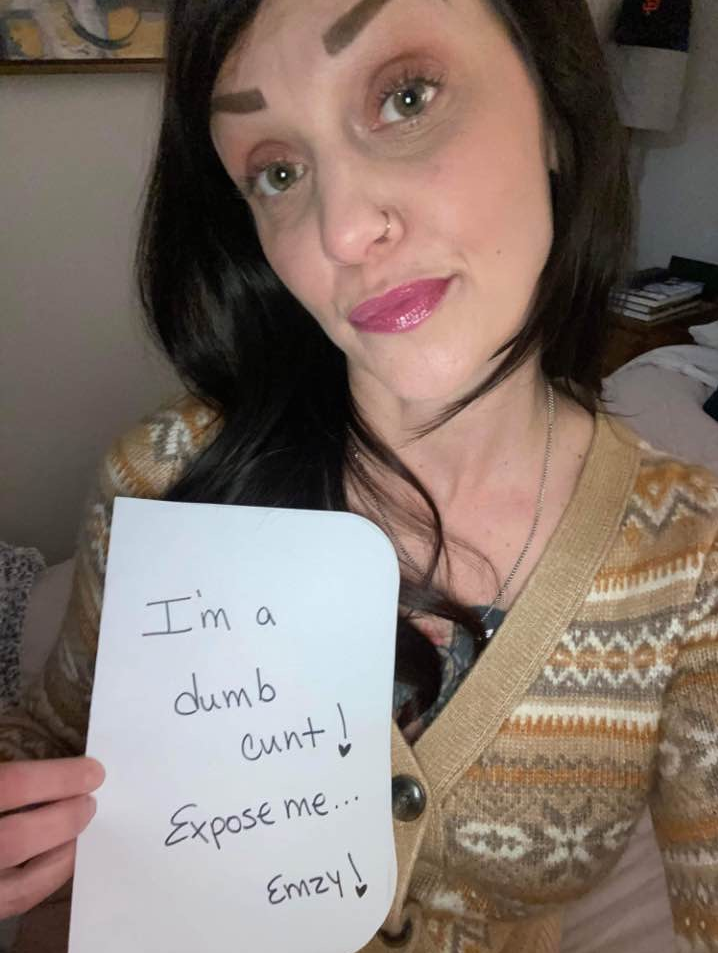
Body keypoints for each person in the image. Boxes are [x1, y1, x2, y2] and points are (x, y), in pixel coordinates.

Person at [1, 0, 716, 950]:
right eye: (278, 172)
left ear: (553, 109)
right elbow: (52, 738)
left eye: (406, 97)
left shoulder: (690, 558)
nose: (341, 230)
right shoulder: (164, 478)